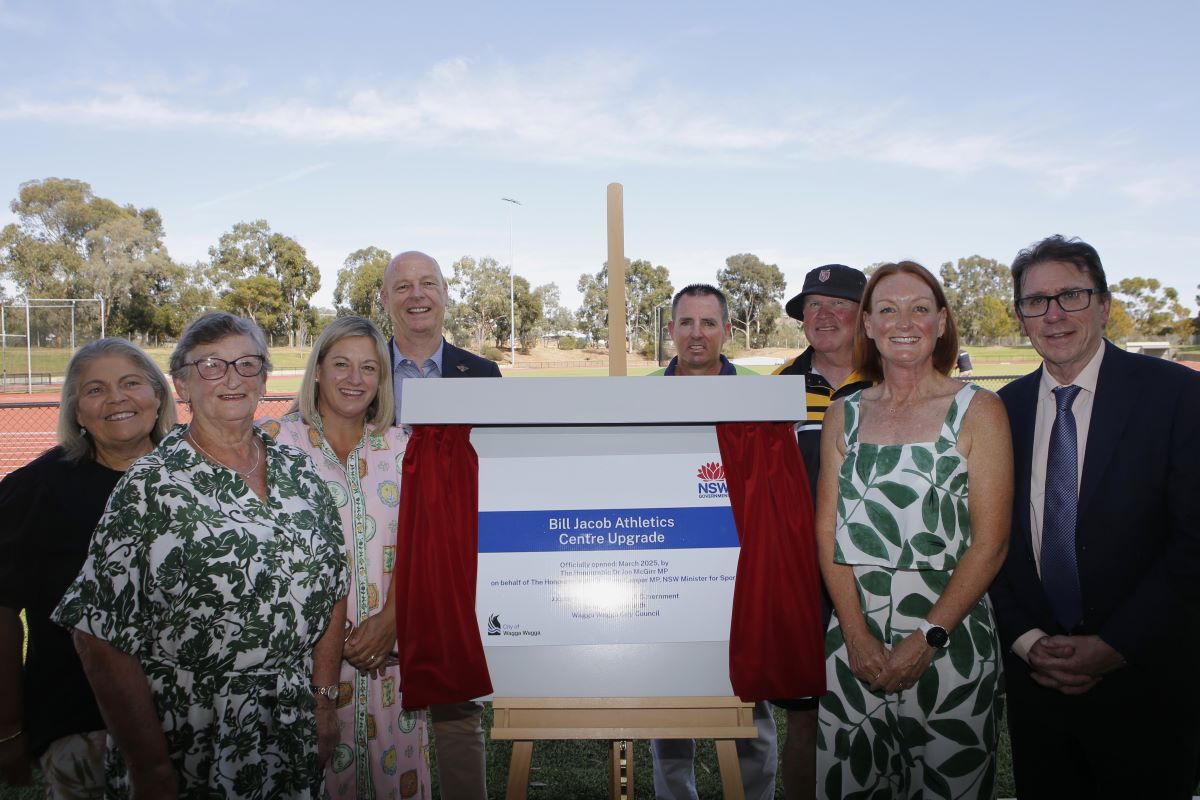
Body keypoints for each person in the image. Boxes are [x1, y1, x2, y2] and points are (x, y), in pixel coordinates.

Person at [52, 312, 349, 799]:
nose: (232, 378)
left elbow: (335, 589)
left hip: (289, 723)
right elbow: (98, 633)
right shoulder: (150, 485)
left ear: (264, 377)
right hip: (191, 731)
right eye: (212, 365)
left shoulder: (301, 471)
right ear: (182, 385)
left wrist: (322, 704)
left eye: (247, 364)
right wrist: (149, 765)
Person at [988, 235, 1200, 799]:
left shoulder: (1178, 395)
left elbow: (1193, 543)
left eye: (1071, 296)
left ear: (1104, 304)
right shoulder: (998, 410)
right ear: (1021, 315)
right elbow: (987, 543)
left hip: (1147, 680)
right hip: (1038, 683)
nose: (1053, 314)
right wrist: (1027, 639)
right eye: (1036, 301)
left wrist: (1116, 645)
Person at [815, 261, 1012, 797]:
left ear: (942, 322)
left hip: (951, 635)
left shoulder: (980, 412)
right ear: (870, 326)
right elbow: (828, 533)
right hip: (856, 637)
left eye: (920, 308)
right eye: (887, 309)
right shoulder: (845, 414)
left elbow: (990, 546)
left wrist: (928, 637)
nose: (904, 320)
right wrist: (854, 634)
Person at [261, 316, 431, 800]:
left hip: (387, 666)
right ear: (316, 371)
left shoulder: (401, 448)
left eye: (369, 368)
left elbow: (422, 543)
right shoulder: (273, 444)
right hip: (301, 672)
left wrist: (391, 619)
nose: (354, 379)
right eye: (341, 364)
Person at [0, 338, 176, 797]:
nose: (117, 398)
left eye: (131, 383)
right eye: (95, 389)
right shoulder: (32, 492)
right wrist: (9, 730)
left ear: (158, 396)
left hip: (195, 720)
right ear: (77, 412)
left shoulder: (198, 476)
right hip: (82, 725)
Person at [648, 283, 775, 800]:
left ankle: (757, 794)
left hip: (742, 566)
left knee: (752, 699)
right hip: (666, 565)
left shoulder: (760, 393)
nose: (696, 334)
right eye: (686, 323)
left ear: (726, 329)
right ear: (672, 330)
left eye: (708, 323)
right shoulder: (643, 394)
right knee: (669, 700)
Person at [380, 250, 497, 799]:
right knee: (374, 697)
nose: (416, 295)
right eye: (402, 286)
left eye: (428, 283)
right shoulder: (360, 372)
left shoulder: (484, 373)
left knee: (454, 705)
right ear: (385, 299)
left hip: (451, 553)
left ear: (446, 293)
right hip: (373, 550)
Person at [772, 264, 871, 800]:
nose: (825, 314)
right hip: (806, 578)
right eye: (813, 305)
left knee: (884, 708)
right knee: (806, 719)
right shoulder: (775, 390)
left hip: (884, 573)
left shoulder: (895, 378)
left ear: (865, 317)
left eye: (839, 304)